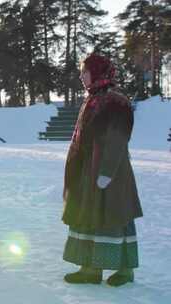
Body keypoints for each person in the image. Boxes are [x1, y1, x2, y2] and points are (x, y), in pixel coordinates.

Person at [62, 53, 143, 287]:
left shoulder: (115, 101)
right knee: (90, 215)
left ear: (97, 72)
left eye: (85, 72)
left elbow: (118, 137)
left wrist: (106, 172)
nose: (81, 76)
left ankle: (125, 270)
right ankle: (90, 268)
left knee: (114, 215)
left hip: (111, 171)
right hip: (89, 170)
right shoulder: (93, 99)